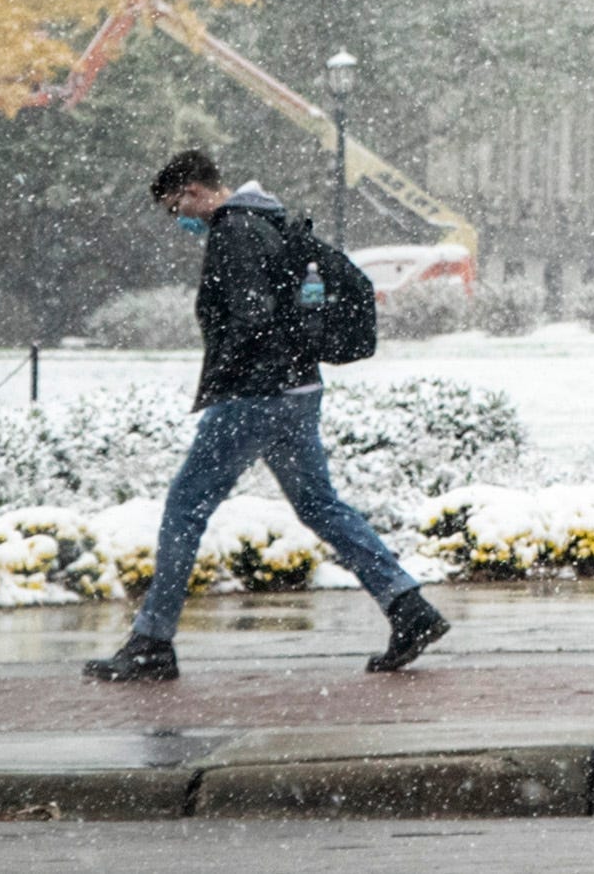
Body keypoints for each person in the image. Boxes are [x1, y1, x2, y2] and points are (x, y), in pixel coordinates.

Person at [80, 150, 449, 683]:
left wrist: (226, 378)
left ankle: (152, 642)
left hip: (254, 396)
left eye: (173, 207)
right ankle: (407, 608)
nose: (177, 219)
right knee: (321, 505)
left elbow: (253, 315)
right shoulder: (270, 221)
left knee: (185, 507)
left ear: (192, 191)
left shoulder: (234, 232)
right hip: (297, 389)